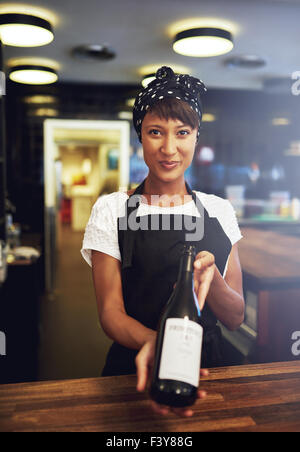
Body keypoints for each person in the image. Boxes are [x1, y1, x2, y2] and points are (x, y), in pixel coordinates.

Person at [81, 66, 245, 417]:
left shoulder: (219, 211)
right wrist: (159, 345)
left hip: (209, 371)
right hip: (134, 366)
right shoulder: (112, 209)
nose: (169, 148)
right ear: (140, 135)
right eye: (155, 132)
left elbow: (235, 317)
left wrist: (211, 275)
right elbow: (110, 313)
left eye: (182, 132)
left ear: (196, 136)